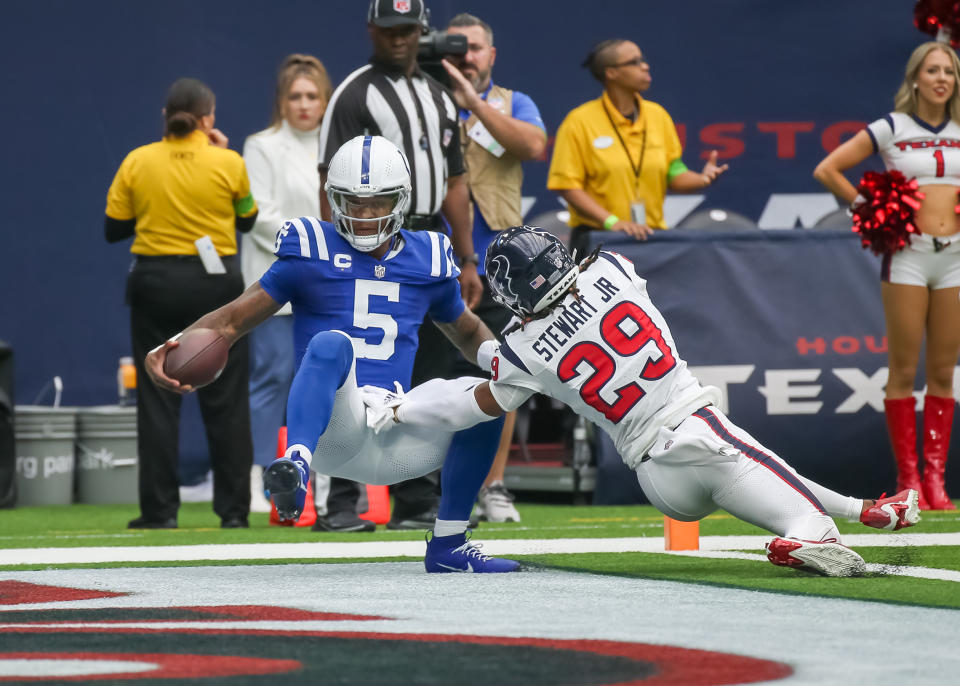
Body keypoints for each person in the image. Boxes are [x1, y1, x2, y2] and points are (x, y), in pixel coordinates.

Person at [363, 226, 922, 577]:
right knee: (811, 522)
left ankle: (852, 512)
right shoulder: (615, 268)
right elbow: (579, 314)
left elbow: (467, 404)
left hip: (654, 476)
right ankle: (854, 512)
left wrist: (401, 408)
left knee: (788, 499)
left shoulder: (523, 350)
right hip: (694, 432)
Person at [144, 135, 519, 573]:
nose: (364, 214)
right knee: (331, 342)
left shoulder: (428, 257)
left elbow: (468, 330)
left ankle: (449, 545)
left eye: (377, 202)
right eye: (352, 202)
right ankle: (296, 468)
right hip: (332, 434)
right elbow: (229, 322)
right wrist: (168, 346)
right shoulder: (309, 250)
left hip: (401, 432)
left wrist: (509, 365)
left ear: (400, 201)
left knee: (491, 393)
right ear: (332, 199)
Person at [314, 0, 483, 531]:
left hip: (427, 236)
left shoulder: (438, 95)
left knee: (427, 369)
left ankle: (417, 503)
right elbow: (331, 179)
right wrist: (337, 251)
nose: (399, 39)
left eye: (408, 29)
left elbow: (456, 181)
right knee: (358, 366)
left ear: (422, 30)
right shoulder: (355, 91)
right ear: (371, 30)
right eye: (389, 29)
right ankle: (342, 502)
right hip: (366, 234)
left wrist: (467, 253)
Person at [105, 77, 258, 529]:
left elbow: (114, 228)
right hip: (217, 288)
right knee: (227, 401)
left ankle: (158, 512)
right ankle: (233, 513)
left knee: (157, 400)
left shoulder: (138, 160)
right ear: (207, 119)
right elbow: (247, 219)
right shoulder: (229, 162)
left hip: (156, 285)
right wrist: (220, 153)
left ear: (165, 117)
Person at [814, 41, 960, 512]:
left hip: (956, 256)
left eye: (950, 72)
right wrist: (872, 209)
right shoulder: (892, 127)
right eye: (933, 70)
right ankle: (909, 477)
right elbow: (828, 169)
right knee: (903, 368)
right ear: (915, 78)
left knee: (942, 369)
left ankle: (936, 480)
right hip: (908, 256)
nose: (942, 79)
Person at [441, 12, 548, 522]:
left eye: (476, 47)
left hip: (505, 263)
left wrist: (474, 104)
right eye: (459, 48)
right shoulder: (426, 102)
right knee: (434, 371)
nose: (468, 56)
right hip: (436, 253)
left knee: (502, 372)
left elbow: (532, 146)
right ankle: (422, 488)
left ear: (492, 54)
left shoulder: (513, 102)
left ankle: (495, 484)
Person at [242, 54, 333, 514]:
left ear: (325, 99)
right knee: (273, 377)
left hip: (326, 284)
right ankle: (261, 478)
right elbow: (260, 215)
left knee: (322, 380)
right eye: (295, 96)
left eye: (312, 96)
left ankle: (320, 480)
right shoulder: (261, 145)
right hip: (275, 285)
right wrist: (316, 244)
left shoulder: (335, 144)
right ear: (282, 100)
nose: (304, 104)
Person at [548, 39, 729, 259]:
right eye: (634, 62)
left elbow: (674, 172)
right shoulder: (579, 121)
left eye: (643, 60)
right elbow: (567, 186)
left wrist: (701, 179)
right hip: (598, 240)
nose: (645, 66)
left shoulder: (658, 116)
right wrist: (613, 223)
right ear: (611, 73)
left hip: (650, 238)